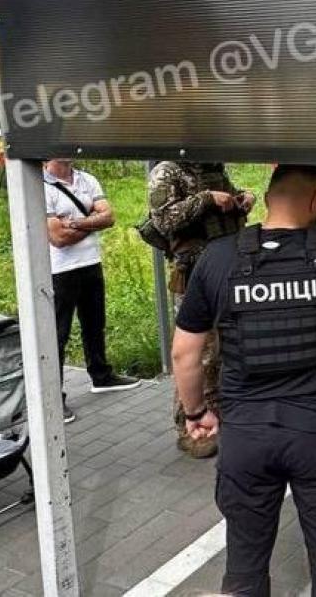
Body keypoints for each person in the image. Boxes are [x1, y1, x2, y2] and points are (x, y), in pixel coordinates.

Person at [171, 164, 316, 597]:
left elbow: (185, 353)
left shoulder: (218, 258)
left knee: (245, 562)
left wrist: (196, 412)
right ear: (315, 200)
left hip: (246, 438)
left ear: (270, 196)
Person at [147, 160, 255, 458]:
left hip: (227, 269)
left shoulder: (213, 168)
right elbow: (164, 220)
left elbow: (228, 200)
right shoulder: (167, 171)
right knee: (197, 352)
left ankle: (218, 416)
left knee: (223, 348)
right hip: (194, 273)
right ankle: (189, 425)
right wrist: (206, 199)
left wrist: (242, 199)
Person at [44, 159, 140, 423]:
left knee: (95, 324)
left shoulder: (87, 179)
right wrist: (91, 221)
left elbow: (109, 217)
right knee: (57, 334)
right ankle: (53, 396)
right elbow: (58, 239)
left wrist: (74, 223)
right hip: (60, 271)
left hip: (90, 264)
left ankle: (101, 376)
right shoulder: (41, 186)